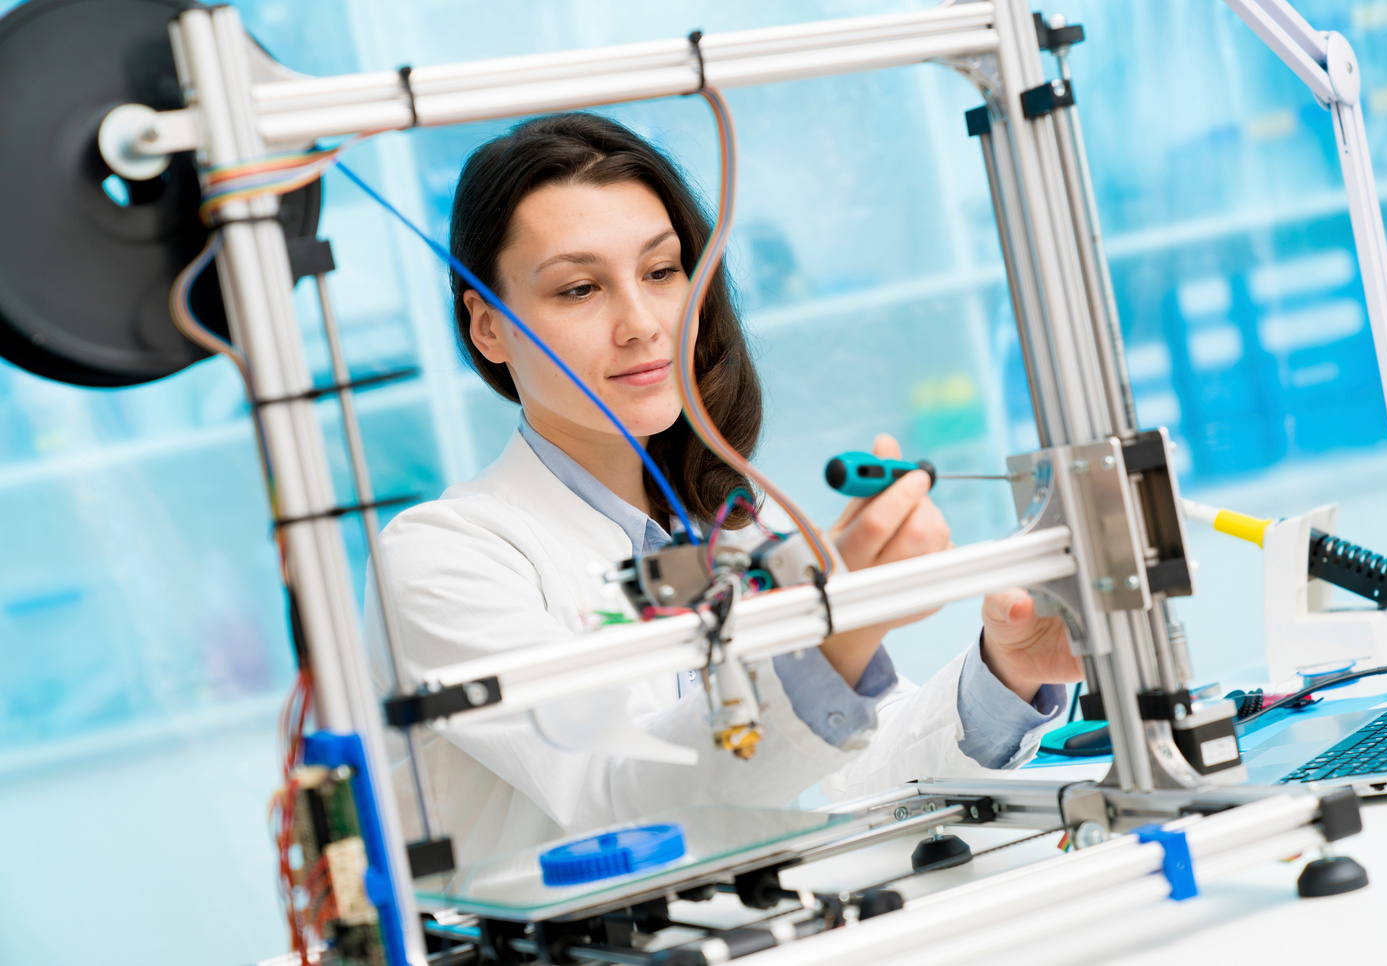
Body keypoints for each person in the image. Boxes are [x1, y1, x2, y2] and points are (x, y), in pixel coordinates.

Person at [367, 112, 1080, 867]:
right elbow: (619, 801)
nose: (643, 323)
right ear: (488, 328)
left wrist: (1006, 674)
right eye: (580, 289)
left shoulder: (734, 524)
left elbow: (847, 777)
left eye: (662, 271)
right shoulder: (443, 558)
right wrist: (834, 642)